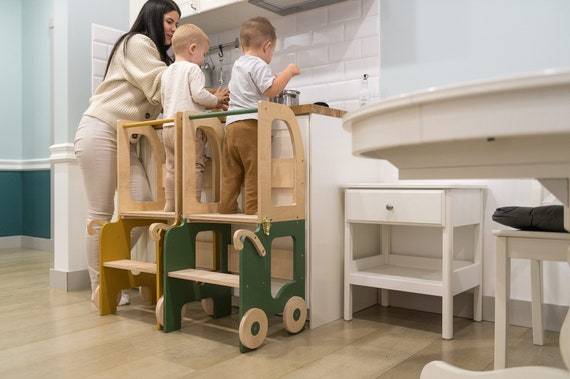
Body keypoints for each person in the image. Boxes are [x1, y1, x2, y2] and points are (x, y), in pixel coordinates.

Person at [74, 0, 181, 305]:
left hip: (125, 139)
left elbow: (166, 91)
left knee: (144, 205)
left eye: (176, 23)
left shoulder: (156, 56)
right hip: (101, 128)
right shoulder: (137, 43)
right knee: (100, 213)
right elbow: (161, 86)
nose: (173, 29)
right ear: (154, 17)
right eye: (169, 21)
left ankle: (109, 271)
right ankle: (100, 288)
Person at [219, 17, 300, 215]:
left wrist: (273, 76)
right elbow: (272, 90)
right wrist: (288, 72)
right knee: (255, 170)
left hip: (231, 126)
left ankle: (227, 207)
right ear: (267, 46)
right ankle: (254, 208)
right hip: (250, 126)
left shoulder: (239, 65)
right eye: (272, 51)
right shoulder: (258, 64)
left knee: (232, 172)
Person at [161, 24, 229, 211]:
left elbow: (163, 99)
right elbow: (198, 95)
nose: (203, 59)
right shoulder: (193, 69)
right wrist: (215, 99)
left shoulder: (167, 72)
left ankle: (171, 204)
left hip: (168, 127)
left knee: (172, 167)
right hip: (188, 130)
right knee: (195, 165)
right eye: (204, 53)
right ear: (193, 49)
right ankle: (194, 203)